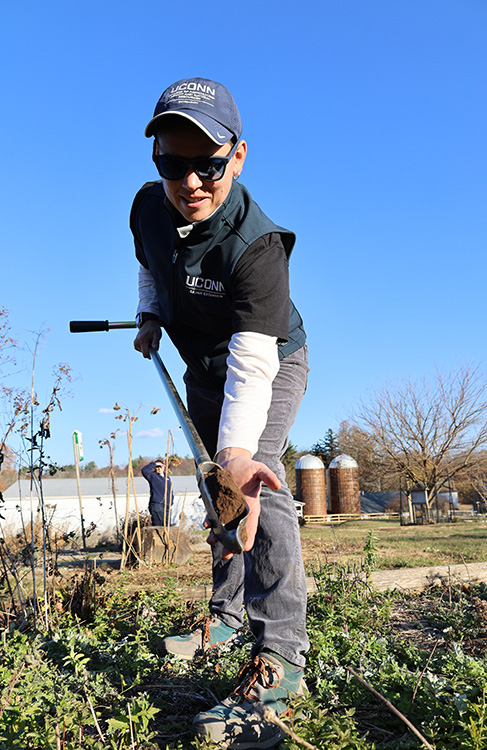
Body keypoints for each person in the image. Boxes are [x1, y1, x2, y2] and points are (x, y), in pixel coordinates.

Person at [132, 77, 309, 748]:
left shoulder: (258, 249)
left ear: (237, 156)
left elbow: (254, 364)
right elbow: (149, 262)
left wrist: (236, 456)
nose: (190, 181)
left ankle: (282, 659)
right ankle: (226, 615)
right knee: (219, 496)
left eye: (207, 163)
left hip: (268, 362)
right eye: (173, 164)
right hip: (201, 367)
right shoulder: (148, 208)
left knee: (252, 480)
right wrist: (150, 312)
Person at [141, 459, 173, 526]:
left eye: (160, 467)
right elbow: (144, 471)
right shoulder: (153, 476)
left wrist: (171, 501)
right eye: (157, 467)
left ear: (164, 467)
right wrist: (154, 464)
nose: (159, 468)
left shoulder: (167, 478)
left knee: (167, 526)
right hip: (157, 504)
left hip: (166, 505)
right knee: (159, 525)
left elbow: (170, 490)